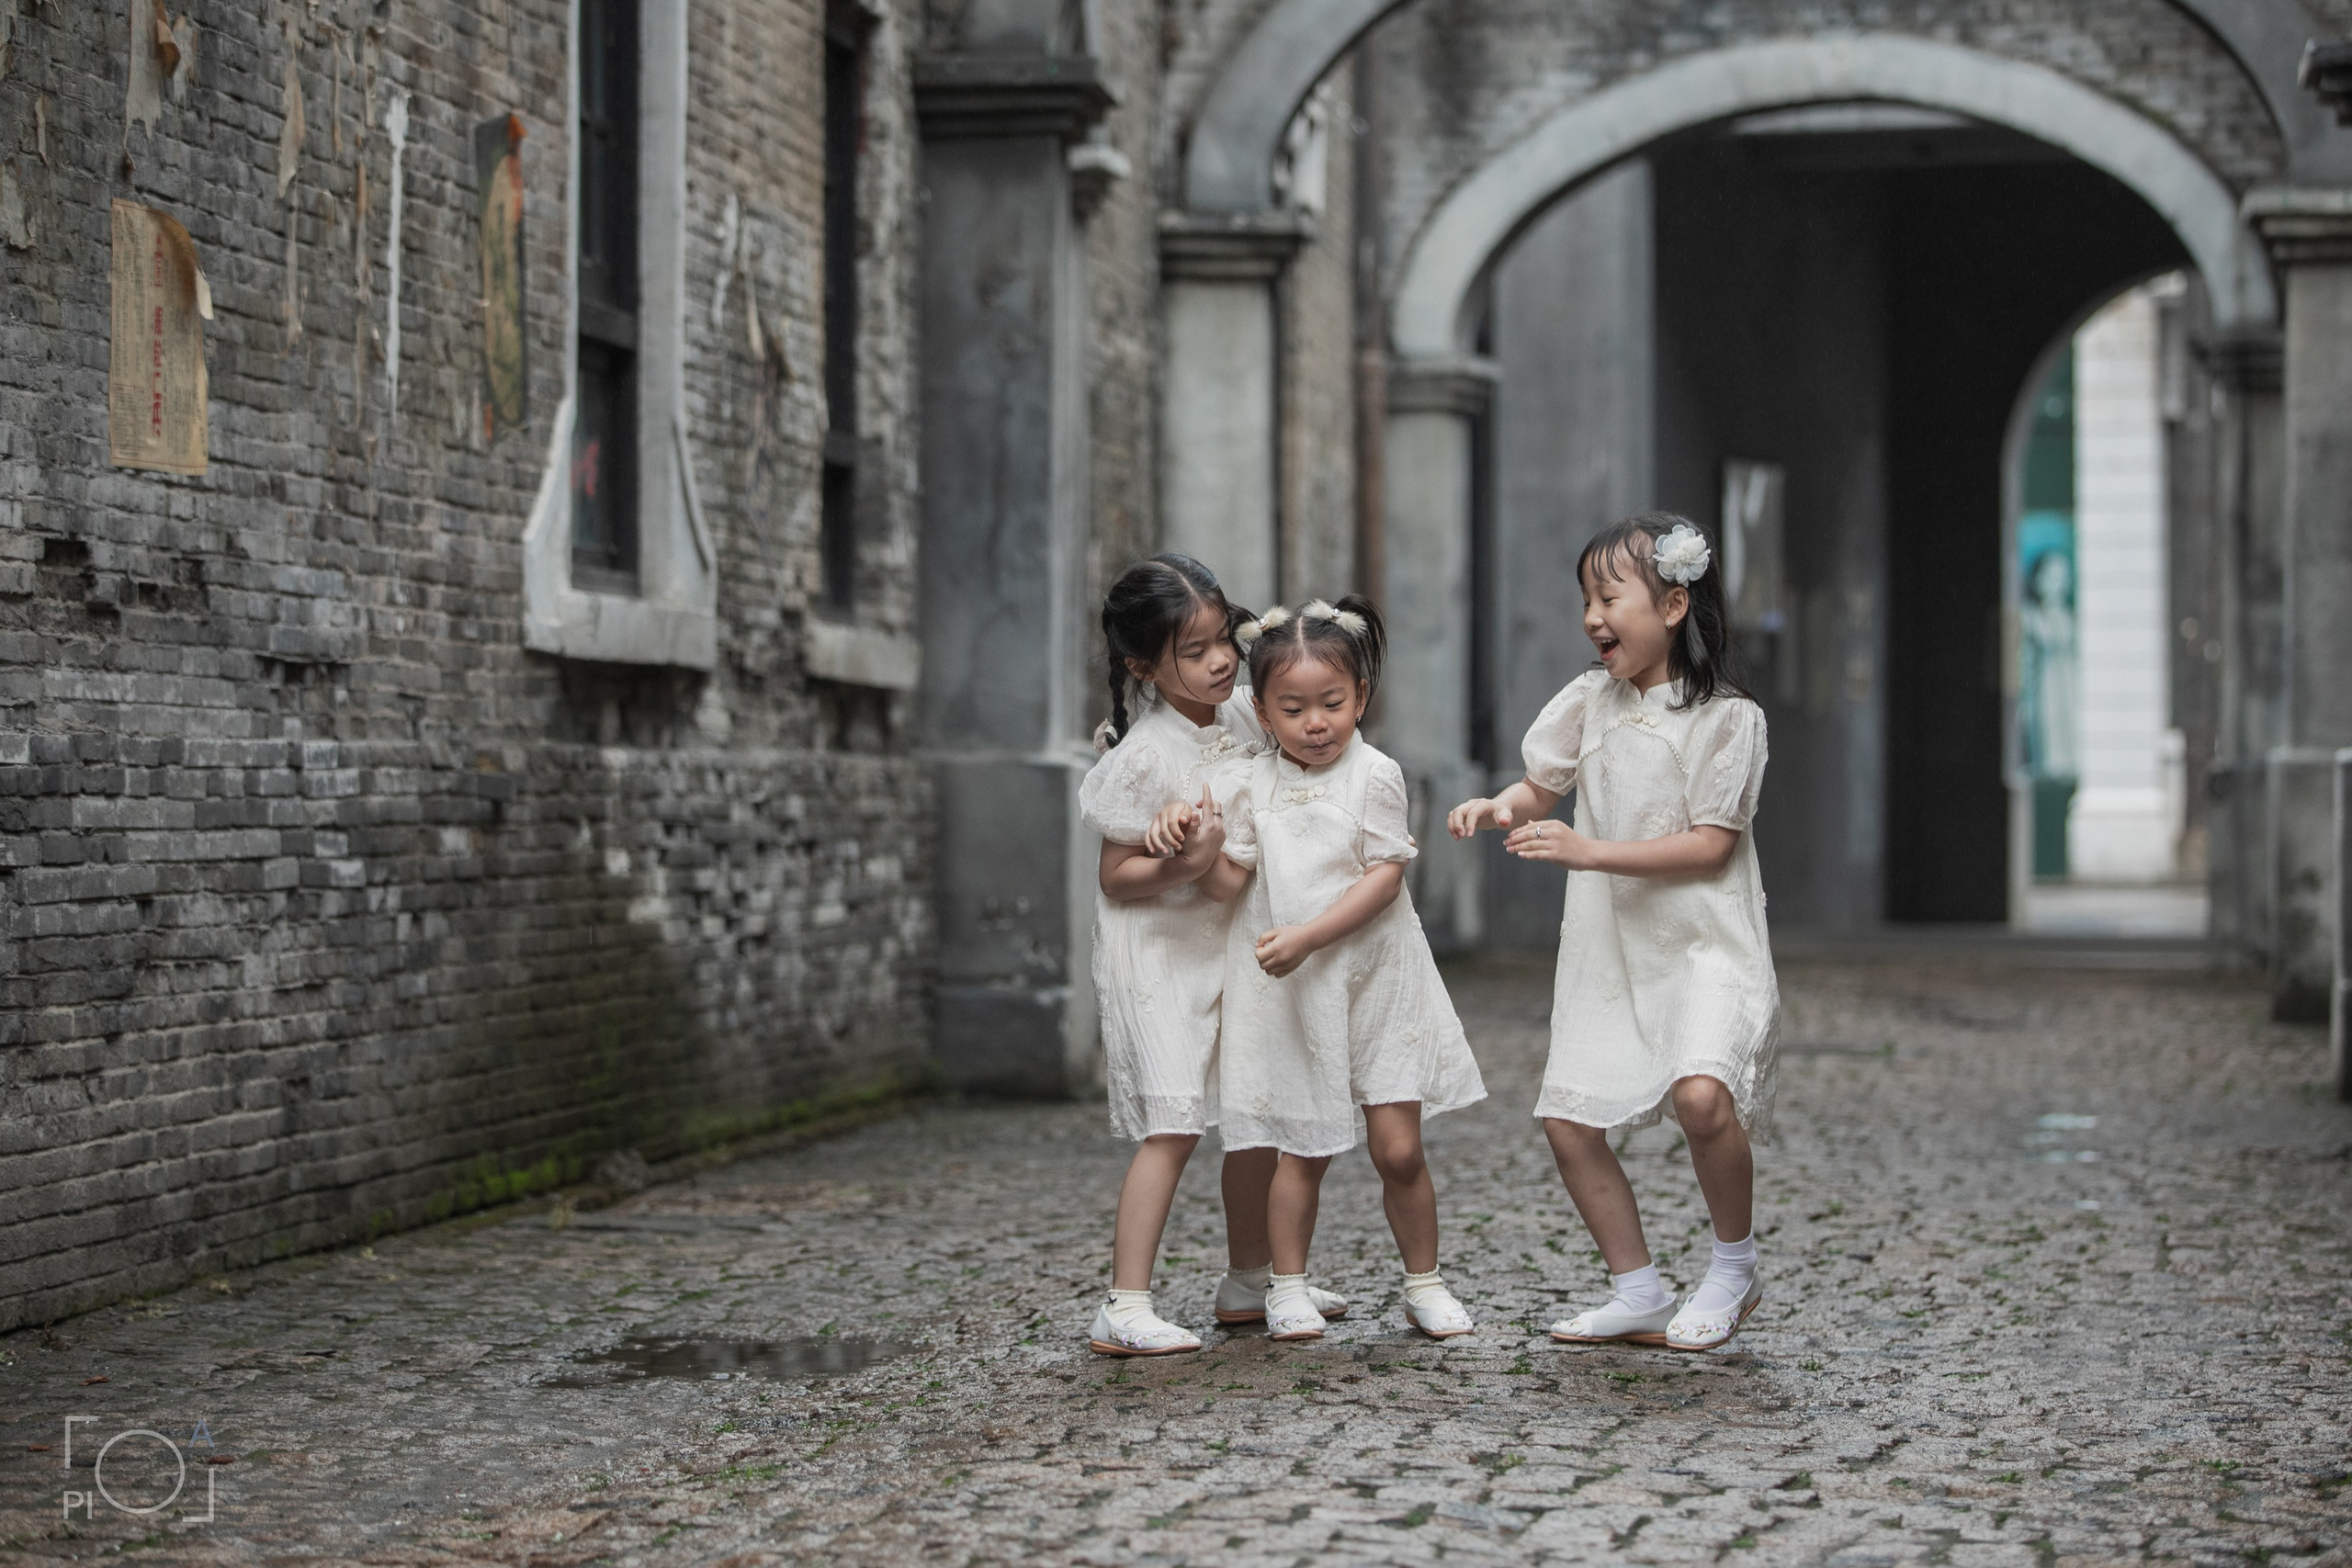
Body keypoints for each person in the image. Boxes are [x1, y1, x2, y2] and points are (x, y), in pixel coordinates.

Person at [1448, 513, 1778, 1352]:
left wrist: (1587, 849)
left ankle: (1733, 1266)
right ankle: (1637, 1289)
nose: (1593, 616)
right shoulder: (1590, 701)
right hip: (1612, 947)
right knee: (1570, 1119)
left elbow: (1711, 846)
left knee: (1703, 1098)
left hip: (1705, 942)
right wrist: (1499, 807)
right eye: (1585, 598)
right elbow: (1539, 784)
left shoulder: (1728, 719)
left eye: (1610, 595)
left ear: (1672, 604)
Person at [1189, 596, 1487, 1342]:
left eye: (1333, 702)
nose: (1316, 722)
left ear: (1361, 699)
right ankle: (1285, 1285)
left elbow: (1384, 877)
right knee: (1303, 1143)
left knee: (1400, 1148)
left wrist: (1312, 934)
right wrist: (1191, 844)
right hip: (1293, 987)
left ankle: (1425, 1281)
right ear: (1261, 711)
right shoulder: (1251, 784)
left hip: (1375, 977)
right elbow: (1232, 876)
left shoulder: (1376, 774)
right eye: (1293, 708)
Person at [1078, 555, 1349, 1357]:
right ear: (1142, 665)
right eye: (1192, 652)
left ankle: (1249, 1276)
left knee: (1251, 1112)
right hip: (1160, 953)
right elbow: (1117, 878)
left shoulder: (1241, 714)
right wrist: (1181, 861)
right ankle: (1124, 1303)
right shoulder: (1143, 753)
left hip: (1230, 939)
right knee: (1173, 1122)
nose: (1220, 660)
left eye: (1221, 637)